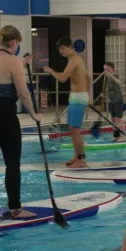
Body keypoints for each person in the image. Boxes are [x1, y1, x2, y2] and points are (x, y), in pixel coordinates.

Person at [0, 25, 40, 219]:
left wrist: (21, 62)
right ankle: (15, 208)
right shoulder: (13, 61)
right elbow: (24, 94)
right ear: (13, 42)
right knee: (12, 162)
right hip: (3, 111)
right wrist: (34, 115)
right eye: (18, 42)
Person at [44, 37, 93, 168]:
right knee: (72, 128)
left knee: (75, 129)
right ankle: (76, 156)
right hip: (77, 96)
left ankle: (81, 160)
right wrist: (88, 95)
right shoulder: (78, 60)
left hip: (78, 97)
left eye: (63, 48)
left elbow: (62, 78)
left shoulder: (74, 60)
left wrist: (51, 71)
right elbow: (89, 77)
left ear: (70, 47)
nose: (61, 52)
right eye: (60, 49)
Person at [103, 62, 126, 142]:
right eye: (105, 70)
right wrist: (105, 93)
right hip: (112, 101)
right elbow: (109, 88)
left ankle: (123, 136)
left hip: (118, 100)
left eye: (108, 69)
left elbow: (119, 82)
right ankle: (116, 135)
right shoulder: (108, 78)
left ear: (113, 69)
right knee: (113, 119)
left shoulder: (115, 75)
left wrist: (111, 76)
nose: (106, 71)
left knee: (119, 119)